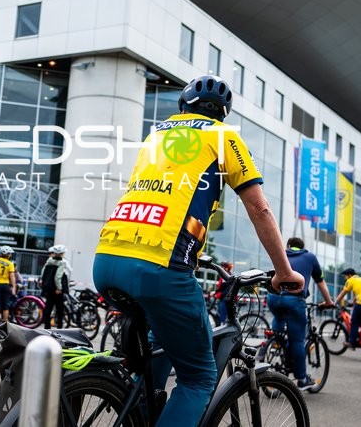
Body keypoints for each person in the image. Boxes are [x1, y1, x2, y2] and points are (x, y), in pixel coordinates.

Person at [93, 75, 305, 424]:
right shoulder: (223, 136)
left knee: (154, 351)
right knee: (199, 377)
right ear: (222, 112)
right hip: (160, 266)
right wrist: (283, 270)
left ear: (184, 104)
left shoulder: (156, 133)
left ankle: (136, 407)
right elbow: (260, 208)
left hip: (107, 259)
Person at [267, 238, 334, 389]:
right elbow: (320, 281)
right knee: (297, 341)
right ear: (302, 248)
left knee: (279, 318)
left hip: (273, 298)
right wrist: (328, 302)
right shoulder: (310, 257)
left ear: (289, 246)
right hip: (294, 300)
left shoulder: (282, 253)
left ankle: (275, 342)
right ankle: (302, 380)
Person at [334, 267, 361, 349]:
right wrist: (353, 302)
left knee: (354, 322)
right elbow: (359, 292)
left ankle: (352, 342)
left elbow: (342, 293)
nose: (345, 278)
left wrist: (334, 303)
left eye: (345, 276)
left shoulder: (350, 280)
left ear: (349, 275)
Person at [41, 245, 69, 329]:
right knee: (60, 309)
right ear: (61, 254)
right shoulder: (62, 263)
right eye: (63, 253)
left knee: (48, 308)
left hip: (48, 288)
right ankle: (60, 328)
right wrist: (59, 288)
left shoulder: (49, 261)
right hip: (57, 290)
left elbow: (43, 273)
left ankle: (47, 327)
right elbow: (58, 277)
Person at [0, 246, 17, 327]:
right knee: (5, 305)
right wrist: (14, 287)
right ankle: (5, 323)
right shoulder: (10, 263)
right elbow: (12, 276)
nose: (10, 255)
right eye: (9, 254)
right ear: (7, 255)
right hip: (6, 285)